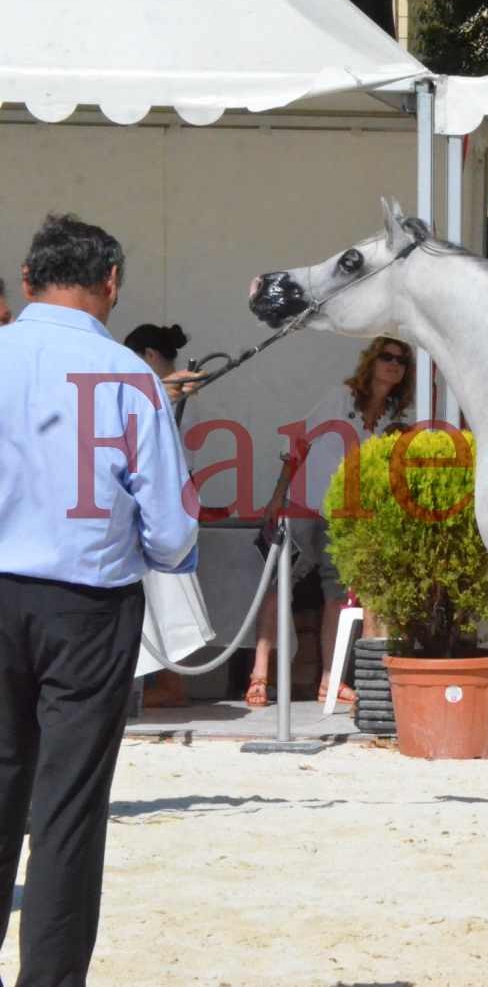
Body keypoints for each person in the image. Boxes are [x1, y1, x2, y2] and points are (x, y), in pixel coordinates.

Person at [0, 214, 198, 985]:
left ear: (26, 279)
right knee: (67, 812)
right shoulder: (131, 376)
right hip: (86, 602)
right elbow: (174, 531)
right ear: (111, 284)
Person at [245, 337, 415, 709]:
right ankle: (259, 674)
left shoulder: (394, 418)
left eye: (400, 361)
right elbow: (299, 444)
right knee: (279, 586)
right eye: (386, 357)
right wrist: (278, 496)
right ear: (371, 362)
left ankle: (330, 679)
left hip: (347, 515)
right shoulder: (341, 397)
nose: (392, 365)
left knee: (336, 596)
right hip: (305, 503)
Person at [123, 324, 211, 709]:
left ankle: (168, 686)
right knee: (161, 599)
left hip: (158, 503)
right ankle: (153, 685)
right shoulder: (156, 394)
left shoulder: (164, 394)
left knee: (166, 596)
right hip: (157, 501)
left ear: (148, 357)